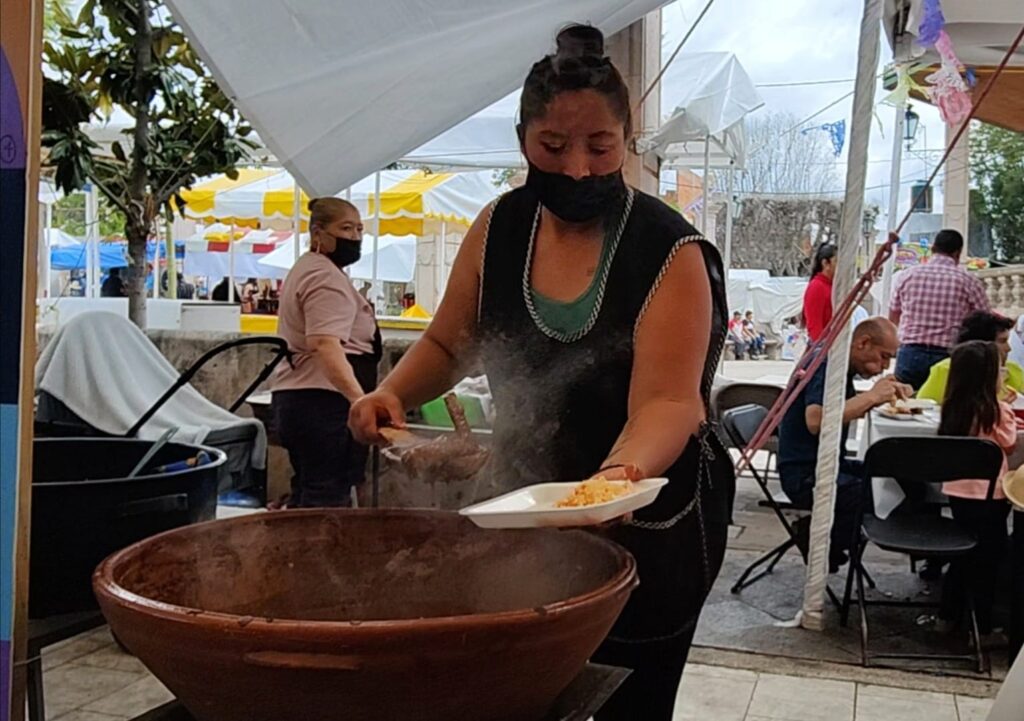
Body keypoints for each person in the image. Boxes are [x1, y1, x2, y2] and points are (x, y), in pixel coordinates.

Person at [349, 25, 733, 721]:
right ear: (523, 139)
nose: (580, 169)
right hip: (526, 510)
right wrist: (392, 391)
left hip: (651, 515)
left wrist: (613, 482)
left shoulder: (668, 250)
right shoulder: (498, 227)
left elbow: (669, 404)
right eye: (554, 148)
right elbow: (449, 341)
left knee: (627, 698)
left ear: (627, 137)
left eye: (601, 147)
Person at [271, 197, 382, 508]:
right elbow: (325, 344)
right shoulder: (324, 277)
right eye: (345, 228)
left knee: (310, 492)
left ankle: (297, 554)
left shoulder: (313, 268)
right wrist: (359, 400)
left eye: (359, 229)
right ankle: (316, 556)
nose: (355, 237)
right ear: (318, 233)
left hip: (304, 400)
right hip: (322, 403)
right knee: (326, 499)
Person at [777, 318, 910, 570]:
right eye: (883, 357)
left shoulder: (836, 361)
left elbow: (841, 411)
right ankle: (821, 536)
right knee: (878, 494)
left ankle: (833, 538)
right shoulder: (826, 363)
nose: (884, 366)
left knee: (893, 476)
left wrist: (877, 397)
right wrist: (872, 395)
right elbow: (816, 420)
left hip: (826, 463)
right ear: (863, 343)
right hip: (805, 473)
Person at [937, 340, 1016, 637]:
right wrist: (1005, 405)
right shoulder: (996, 410)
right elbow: (1008, 443)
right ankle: (981, 623)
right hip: (990, 496)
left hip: (958, 492)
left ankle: (948, 614)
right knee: (988, 558)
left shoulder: (953, 409)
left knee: (962, 553)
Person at [890, 229, 990, 390]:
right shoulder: (968, 281)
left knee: (905, 402)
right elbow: (985, 318)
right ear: (957, 253)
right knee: (946, 406)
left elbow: (894, 314)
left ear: (933, 248)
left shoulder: (907, 275)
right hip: (948, 355)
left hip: (910, 351)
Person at [918, 311, 1024, 403]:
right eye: (1002, 341)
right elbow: (924, 407)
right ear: (981, 345)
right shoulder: (948, 370)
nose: (1008, 348)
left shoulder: (1013, 370)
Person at [802, 243, 837, 342]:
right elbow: (815, 325)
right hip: (823, 346)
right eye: (836, 262)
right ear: (826, 263)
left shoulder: (832, 286)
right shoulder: (817, 287)